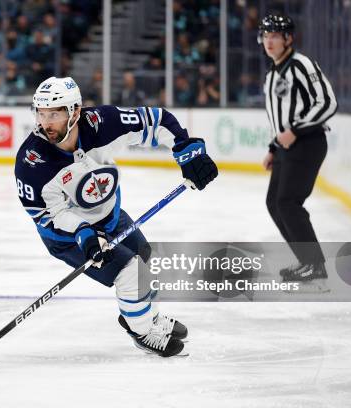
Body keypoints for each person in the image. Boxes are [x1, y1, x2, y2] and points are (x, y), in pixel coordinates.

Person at [14, 76, 218, 357]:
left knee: (144, 256)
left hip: (109, 216)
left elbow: (157, 120)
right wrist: (84, 234)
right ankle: (143, 331)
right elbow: (47, 215)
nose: (46, 122)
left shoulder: (104, 124)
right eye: (41, 113)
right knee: (128, 271)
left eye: (55, 114)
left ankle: (147, 316)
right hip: (67, 236)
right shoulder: (32, 162)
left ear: (74, 112)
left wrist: (187, 153)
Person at [259, 14, 337, 286]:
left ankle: (315, 264)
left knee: (288, 203)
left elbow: (327, 103)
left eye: (275, 36)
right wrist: (273, 147)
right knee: (274, 204)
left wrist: (296, 130)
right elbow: (277, 118)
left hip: (308, 142)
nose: (269, 41)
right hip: (286, 147)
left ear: (288, 39)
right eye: (265, 35)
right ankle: (307, 261)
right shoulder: (272, 74)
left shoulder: (302, 65)